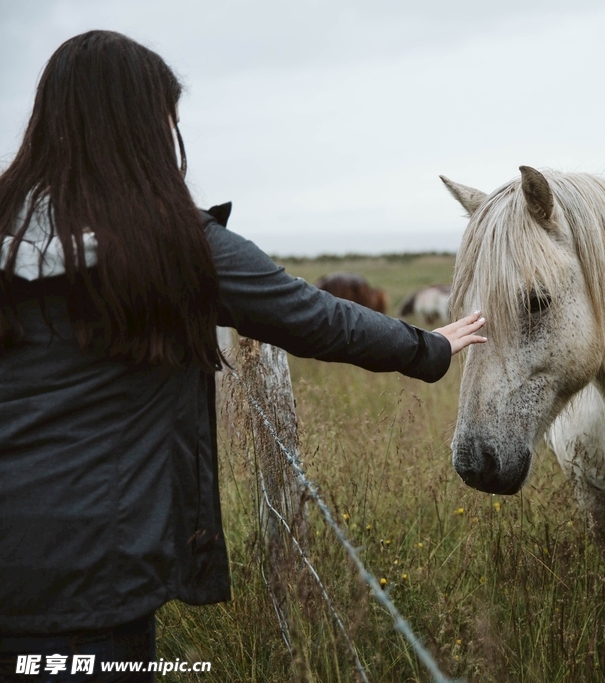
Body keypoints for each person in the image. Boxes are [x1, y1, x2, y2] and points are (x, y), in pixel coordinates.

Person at [0, 30, 485, 682]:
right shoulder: (176, 245)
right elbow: (316, 318)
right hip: (93, 572)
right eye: (167, 118)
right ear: (143, 127)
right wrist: (429, 346)